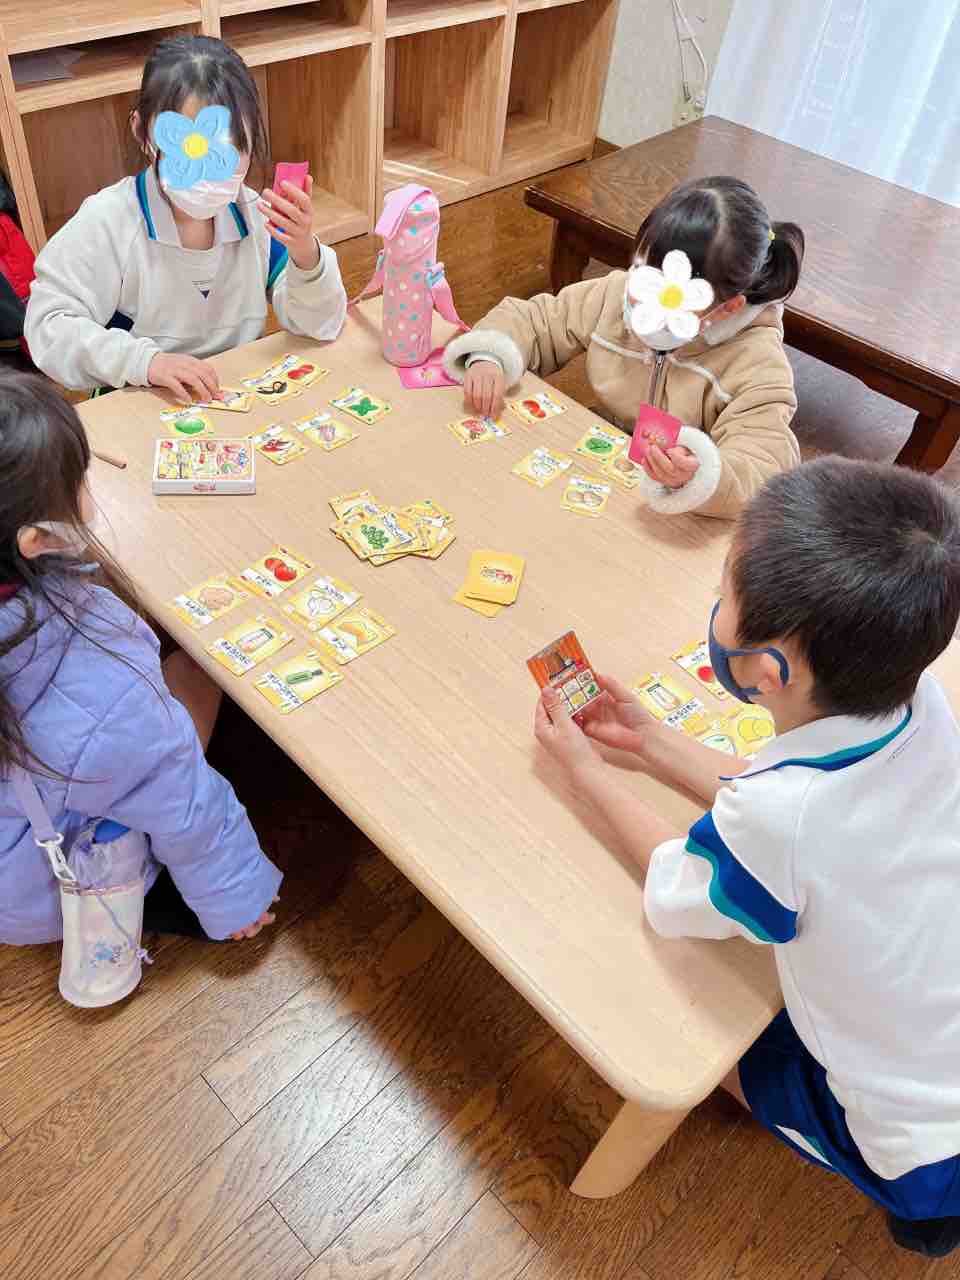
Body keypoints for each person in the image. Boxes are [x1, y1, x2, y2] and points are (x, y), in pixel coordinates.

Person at [534, 456, 960, 1258]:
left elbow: (677, 888)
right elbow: (785, 810)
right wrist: (653, 743)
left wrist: (584, 775)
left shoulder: (784, 819)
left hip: (925, 1151)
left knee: (723, 1054)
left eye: (722, 593)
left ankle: (915, 1212)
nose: (715, 605)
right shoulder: (920, 703)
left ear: (767, 671)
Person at [0, 372, 281, 945]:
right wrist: (237, 897)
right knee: (200, 668)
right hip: (45, 885)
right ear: (36, 539)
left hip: (20, 825)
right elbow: (179, 795)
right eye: (80, 477)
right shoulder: (98, 689)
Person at [445, 176, 805, 518]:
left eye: (672, 297)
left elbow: (765, 464)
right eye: (645, 276)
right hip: (602, 460)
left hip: (675, 507)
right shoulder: (616, 293)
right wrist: (490, 354)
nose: (643, 300)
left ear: (728, 308)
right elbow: (539, 319)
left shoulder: (758, 363)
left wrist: (701, 474)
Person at [25, 34, 346, 401]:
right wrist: (145, 362)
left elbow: (319, 325)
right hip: (140, 399)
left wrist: (306, 255)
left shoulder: (253, 215)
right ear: (143, 132)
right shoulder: (109, 221)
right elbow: (48, 326)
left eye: (229, 149)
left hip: (235, 396)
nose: (208, 172)